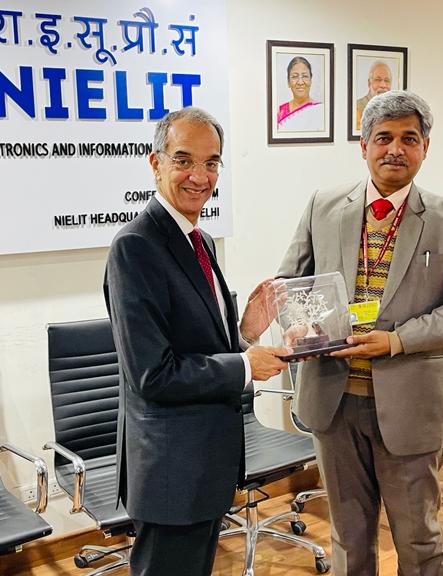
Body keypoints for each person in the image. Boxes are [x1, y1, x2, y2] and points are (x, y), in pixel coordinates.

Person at [276, 90, 443, 576]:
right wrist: (298, 323)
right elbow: (289, 286)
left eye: (408, 139)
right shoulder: (322, 206)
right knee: (348, 538)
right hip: (333, 402)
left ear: (425, 147)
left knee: (418, 540)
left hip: (409, 403)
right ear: (363, 145)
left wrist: (398, 340)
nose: (395, 149)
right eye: (383, 138)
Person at [103, 106, 290, 576]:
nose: (199, 176)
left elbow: (197, 345)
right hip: (171, 469)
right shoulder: (136, 246)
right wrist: (246, 365)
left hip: (205, 462)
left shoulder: (198, 239)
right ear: (156, 163)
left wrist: (244, 333)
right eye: (184, 160)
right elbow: (153, 374)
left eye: (211, 163)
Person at [277, 56, 324, 132]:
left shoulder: (321, 111)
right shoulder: (280, 112)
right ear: (288, 82)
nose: (300, 82)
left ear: (311, 80)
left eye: (305, 76)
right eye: (295, 77)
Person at [354, 60, 393, 131]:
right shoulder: (357, 108)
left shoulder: (395, 110)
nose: (383, 85)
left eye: (387, 80)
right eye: (378, 80)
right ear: (369, 83)